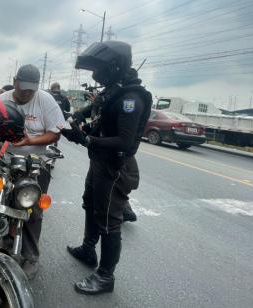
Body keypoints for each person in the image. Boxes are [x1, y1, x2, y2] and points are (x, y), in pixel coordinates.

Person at [61, 41, 152, 295]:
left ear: (114, 66)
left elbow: (123, 140)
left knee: (110, 219)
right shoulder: (114, 90)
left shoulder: (131, 98)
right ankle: (88, 249)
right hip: (100, 161)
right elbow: (97, 112)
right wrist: (79, 122)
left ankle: (105, 276)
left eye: (100, 67)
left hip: (116, 167)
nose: (95, 73)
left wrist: (87, 139)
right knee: (90, 203)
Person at [0, 64, 65, 279]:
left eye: (31, 90)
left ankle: (31, 256)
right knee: (4, 201)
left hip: (37, 162)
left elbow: (55, 134)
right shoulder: (2, 100)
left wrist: (31, 140)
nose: (26, 93)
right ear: (15, 81)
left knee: (33, 209)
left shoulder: (45, 100)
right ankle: (8, 238)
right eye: (23, 88)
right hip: (7, 160)